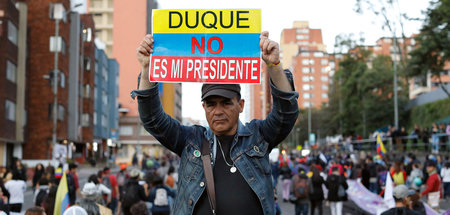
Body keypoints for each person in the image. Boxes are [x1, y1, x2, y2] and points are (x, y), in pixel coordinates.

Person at [133, 31, 298, 215]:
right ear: (204, 107)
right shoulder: (190, 139)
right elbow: (152, 119)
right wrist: (147, 69)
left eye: (226, 103)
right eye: (211, 104)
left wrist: (274, 65)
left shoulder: (258, 136)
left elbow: (286, 114)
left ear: (241, 105)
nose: (218, 111)